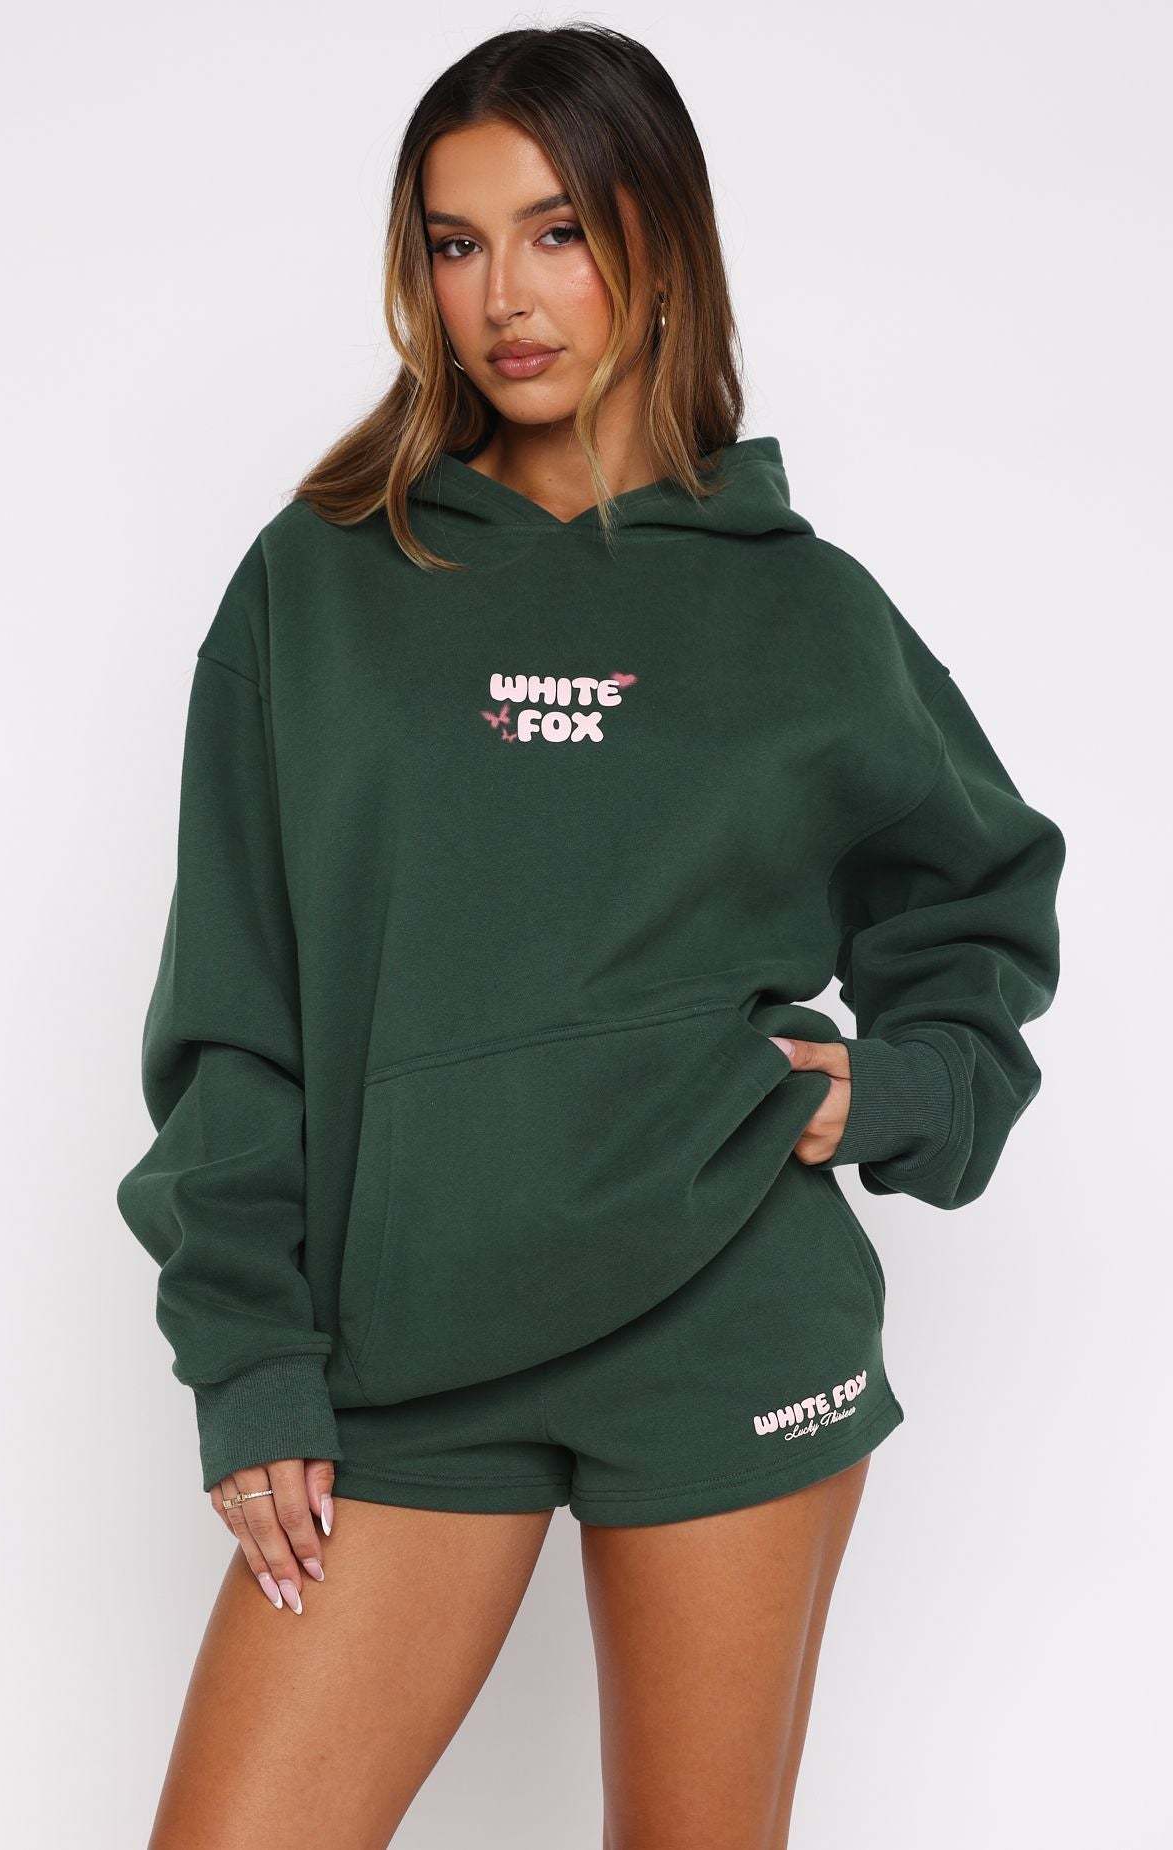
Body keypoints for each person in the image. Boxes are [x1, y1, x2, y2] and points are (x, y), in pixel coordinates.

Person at [116, 23, 1065, 1849]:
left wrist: (885, 1093)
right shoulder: (322, 582)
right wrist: (248, 1353)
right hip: (402, 1350)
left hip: (729, 1326)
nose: (504, 298)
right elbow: (239, 1003)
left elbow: (977, 896)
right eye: (456, 244)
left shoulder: (803, 614)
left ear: (660, 242)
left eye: (557, 232)